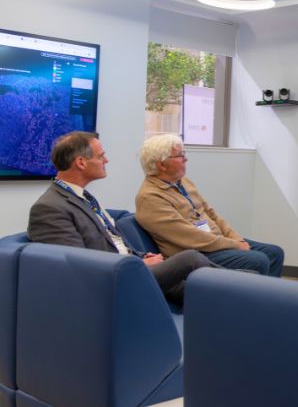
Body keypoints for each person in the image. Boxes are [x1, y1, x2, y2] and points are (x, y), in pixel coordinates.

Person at [27, 131, 211, 305]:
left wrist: (140, 256)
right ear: (81, 163)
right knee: (191, 258)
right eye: (101, 156)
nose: (106, 160)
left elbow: (111, 242)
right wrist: (138, 263)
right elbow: (78, 265)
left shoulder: (82, 197)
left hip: (129, 268)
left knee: (205, 294)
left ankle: (225, 299)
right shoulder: (49, 208)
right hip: (113, 280)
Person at [135, 134, 284, 277]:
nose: (186, 159)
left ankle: (267, 294)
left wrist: (237, 239)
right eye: (180, 155)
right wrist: (234, 245)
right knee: (258, 260)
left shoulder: (183, 182)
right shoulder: (150, 198)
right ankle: (252, 294)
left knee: (274, 253)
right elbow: (190, 237)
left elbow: (211, 213)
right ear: (161, 164)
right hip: (197, 253)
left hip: (216, 242)